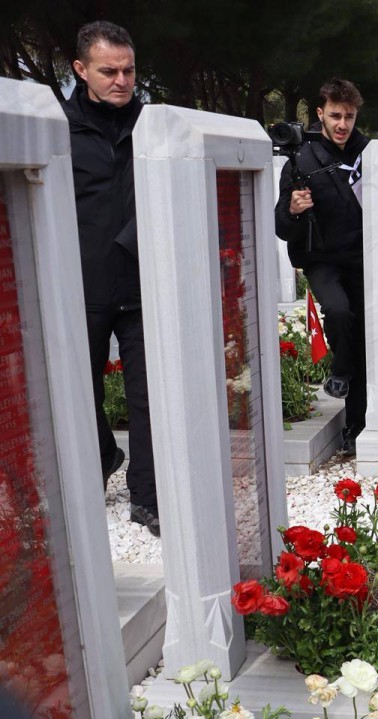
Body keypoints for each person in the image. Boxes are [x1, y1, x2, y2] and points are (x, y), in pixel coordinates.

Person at [64, 21, 160, 537]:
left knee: (149, 395)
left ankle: (147, 496)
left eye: (129, 70)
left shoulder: (153, 126)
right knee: (80, 388)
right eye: (109, 71)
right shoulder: (57, 129)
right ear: (80, 70)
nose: (122, 81)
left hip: (146, 284)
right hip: (82, 285)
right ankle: (103, 455)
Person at [275, 78, 370, 457]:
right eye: (335, 116)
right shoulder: (300, 160)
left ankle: (356, 426)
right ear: (320, 114)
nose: (342, 124)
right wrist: (294, 210)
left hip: (363, 259)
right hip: (321, 259)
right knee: (338, 310)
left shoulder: (369, 154)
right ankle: (340, 370)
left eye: (349, 116)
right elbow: (282, 227)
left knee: (362, 339)